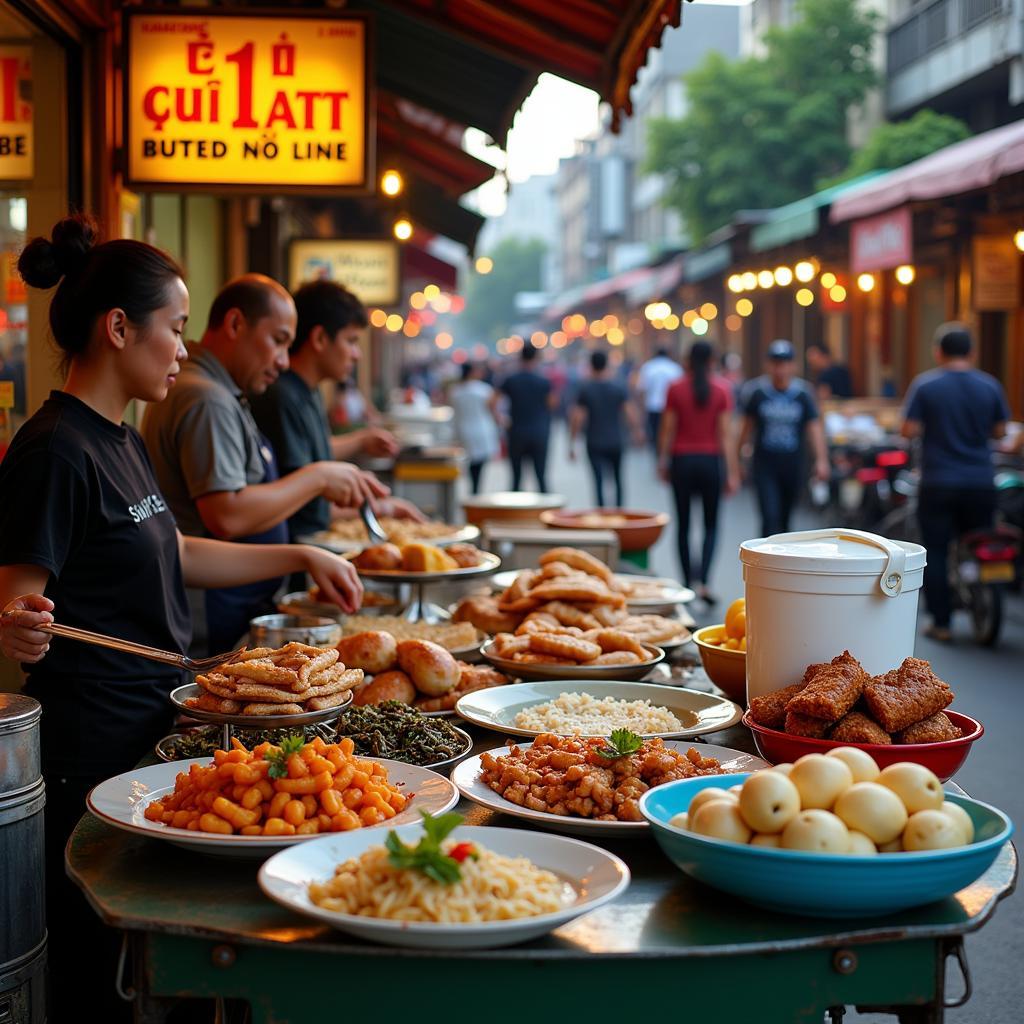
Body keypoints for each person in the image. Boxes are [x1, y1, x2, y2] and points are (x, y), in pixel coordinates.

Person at [0, 215, 363, 1022]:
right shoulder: (55, 449)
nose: (183, 346)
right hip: (87, 757)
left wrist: (301, 556)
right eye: (175, 327)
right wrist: (15, 624)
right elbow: (17, 605)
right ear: (119, 327)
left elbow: (176, 553)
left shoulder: (119, 439)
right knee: (101, 977)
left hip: (148, 737)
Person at [142, 274, 386, 654]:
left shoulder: (223, 392)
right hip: (213, 611)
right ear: (236, 324)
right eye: (278, 341)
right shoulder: (206, 398)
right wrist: (317, 478)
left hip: (236, 603)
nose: (283, 361)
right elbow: (227, 515)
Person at [250, 279, 415, 547]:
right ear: (319, 339)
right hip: (294, 548)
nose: (357, 355)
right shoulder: (282, 395)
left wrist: (362, 440)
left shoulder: (309, 390)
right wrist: (381, 509)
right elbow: (304, 501)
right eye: (351, 341)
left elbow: (314, 451)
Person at [901, 322, 1010, 642]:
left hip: (938, 480)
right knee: (983, 542)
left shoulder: (926, 386)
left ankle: (942, 623)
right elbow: (1001, 431)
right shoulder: (990, 386)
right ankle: (986, 593)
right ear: (972, 352)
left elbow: (907, 430)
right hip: (980, 481)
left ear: (938, 352)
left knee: (935, 549)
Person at [658, 342, 740, 603]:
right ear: (713, 359)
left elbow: (667, 429)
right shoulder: (723, 390)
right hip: (710, 462)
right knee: (711, 525)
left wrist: (662, 460)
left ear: (687, 360)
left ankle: (686, 583)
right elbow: (725, 435)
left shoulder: (675, 388)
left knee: (683, 525)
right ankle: (703, 581)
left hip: (682, 461)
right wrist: (732, 471)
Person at [737, 339, 830, 537]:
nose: (781, 369)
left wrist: (821, 460)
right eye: (776, 363)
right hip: (765, 463)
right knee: (770, 516)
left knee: (786, 518)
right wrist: (738, 459)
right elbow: (746, 427)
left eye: (785, 363)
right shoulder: (757, 393)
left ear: (793, 366)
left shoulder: (803, 394)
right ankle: (764, 561)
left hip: (793, 463)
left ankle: (782, 563)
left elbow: (814, 428)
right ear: (768, 365)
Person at [570, 350, 642, 507]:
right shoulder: (618, 387)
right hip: (616, 439)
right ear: (606, 365)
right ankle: (619, 511)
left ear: (591, 366)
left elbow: (578, 417)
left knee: (598, 481)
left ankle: (601, 512)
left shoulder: (586, 389)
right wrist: (637, 432)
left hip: (594, 441)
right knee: (618, 479)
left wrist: (572, 442)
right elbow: (630, 413)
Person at [500, 342, 556, 492]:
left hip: (517, 432)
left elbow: (492, 402)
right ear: (536, 358)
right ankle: (544, 513)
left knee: (516, 478)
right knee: (541, 476)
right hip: (539, 432)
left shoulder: (511, 379)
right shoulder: (543, 381)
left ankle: (515, 514)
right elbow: (552, 404)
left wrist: (501, 420)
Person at [450, 361, 500, 493]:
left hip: (464, 429)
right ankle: (476, 490)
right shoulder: (484, 390)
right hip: (482, 429)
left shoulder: (456, 391)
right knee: (479, 464)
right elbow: (492, 410)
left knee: (471, 462)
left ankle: (474, 489)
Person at [635, 347, 682, 446]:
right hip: (671, 408)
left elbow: (642, 390)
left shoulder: (648, 367)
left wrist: (642, 410)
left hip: (653, 406)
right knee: (670, 433)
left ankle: (658, 454)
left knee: (656, 435)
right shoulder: (675, 368)